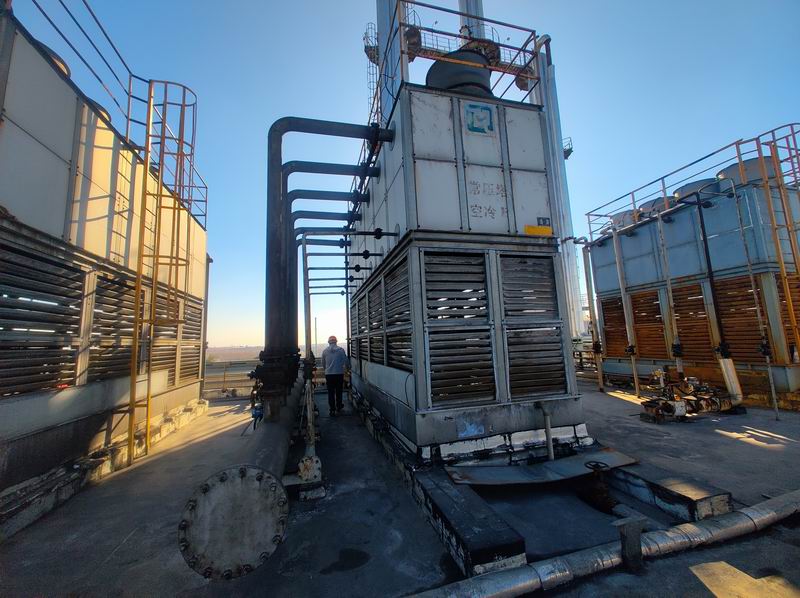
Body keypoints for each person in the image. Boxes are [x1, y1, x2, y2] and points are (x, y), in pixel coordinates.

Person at [321, 335, 348, 415]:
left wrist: (326, 369)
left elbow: (323, 363)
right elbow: (346, 361)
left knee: (331, 392)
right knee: (339, 391)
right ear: (336, 342)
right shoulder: (341, 350)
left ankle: (332, 409)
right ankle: (339, 406)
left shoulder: (325, 351)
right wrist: (348, 368)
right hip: (339, 373)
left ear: (329, 342)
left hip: (329, 375)